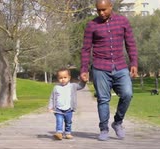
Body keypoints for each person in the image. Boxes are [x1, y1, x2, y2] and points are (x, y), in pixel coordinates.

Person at [80, 0, 138, 141]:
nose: (101, 13)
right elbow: (86, 49)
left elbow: (130, 43)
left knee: (127, 94)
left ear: (111, 7)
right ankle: (104, 128)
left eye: (104, 9)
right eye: (98, 10)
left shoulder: (123, 21)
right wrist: (84, 69)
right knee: (103, 99)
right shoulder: (92, 25)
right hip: (100, 67)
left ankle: (117, 122)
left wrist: (134, 63)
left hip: (120, 65)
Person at [47, 68, 86, 140]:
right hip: (58, 109)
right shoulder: (56, 87)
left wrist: (84, 81)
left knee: (68, 122)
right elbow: (52, 98)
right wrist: (50, 107)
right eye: (60, 78)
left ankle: (68, 133)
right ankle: (59, 133)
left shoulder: (73, 86)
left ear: (69, 78)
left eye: (65, 77)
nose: (63, 79)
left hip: (69, 109)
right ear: (58, 79)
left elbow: (80, 86)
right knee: (59, 120)